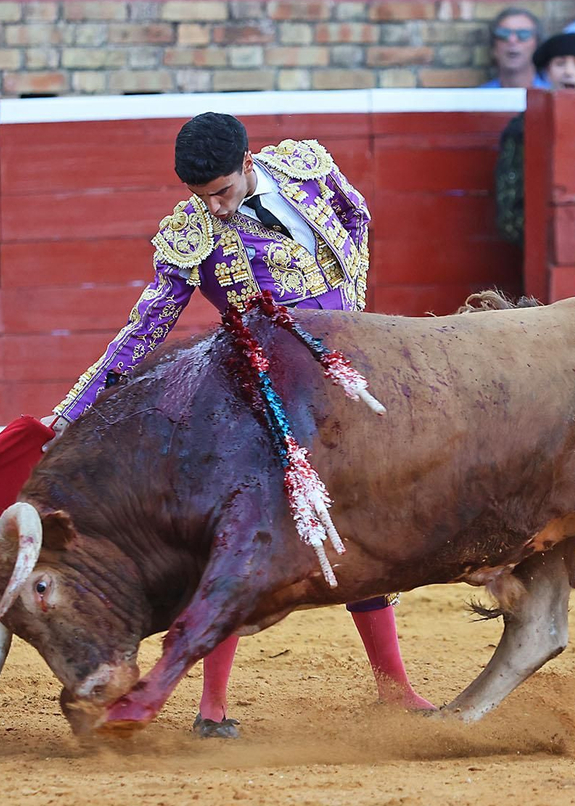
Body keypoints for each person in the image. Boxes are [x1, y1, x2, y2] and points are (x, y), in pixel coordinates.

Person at [49, 113, 435, 735]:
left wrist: (353, 314)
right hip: (265, 403)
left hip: (348, 385)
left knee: (354, 529)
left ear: (249, 162)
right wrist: (71, 410)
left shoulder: (307, 167)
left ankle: (395, 688)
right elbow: (142, 330)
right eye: (201, 199)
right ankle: (213, 708)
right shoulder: (189, 237)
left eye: (222, 193)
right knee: (244, 542)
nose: (215, 210)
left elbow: (357, 215)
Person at [493, 32, 575, 247]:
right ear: (547, 73)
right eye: (560, 64)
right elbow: (510, 204)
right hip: (545, 239)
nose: (568, 72)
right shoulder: (523, 127)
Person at [479, 8, 550, 90]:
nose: (512, 40)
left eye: (523, 34)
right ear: (494, 47)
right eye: (503, 34)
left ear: (537, 45)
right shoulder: (480, 98)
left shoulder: (551, 96)